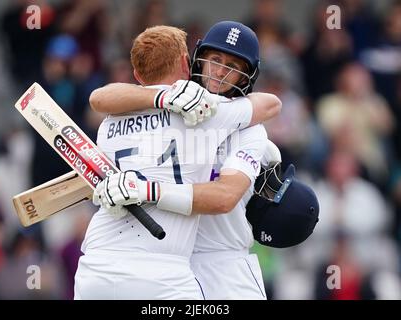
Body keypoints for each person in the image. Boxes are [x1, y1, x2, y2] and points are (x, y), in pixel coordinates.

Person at [74, 25, 281, 299]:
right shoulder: (208, 115)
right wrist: (163, 97)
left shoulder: (112, 118)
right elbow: (272, 104)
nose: (220, 72)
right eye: (215, 60)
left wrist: (146, 189)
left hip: (219, 262)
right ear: (191, 61)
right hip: (166, 265)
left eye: (233, 66)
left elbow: (98, 98)